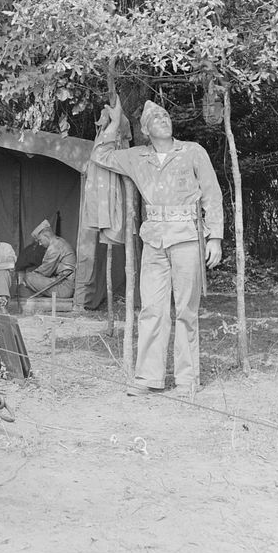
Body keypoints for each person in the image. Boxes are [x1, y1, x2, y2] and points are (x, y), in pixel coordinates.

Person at [91, 97, 223, 397]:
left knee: (187, 311)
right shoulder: (137, 156)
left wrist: (214, 237)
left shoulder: (192, 151)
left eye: (166, 115)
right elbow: (100, 155)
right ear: (146, 130)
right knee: (152, 309)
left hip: (188, 237)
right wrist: (114, 124)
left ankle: (187, 380)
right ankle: (149, 377)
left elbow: (212, 195)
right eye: (156, 118)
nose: (163, 119)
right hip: (153, 241)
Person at [20, 219, 77, 299]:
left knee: (29, 277)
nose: (40, 243)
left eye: (40, 240)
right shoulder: (59, 242)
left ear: (46, 235)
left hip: (64, 287)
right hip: (62, 283)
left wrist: (27, 279)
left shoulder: (54, 247)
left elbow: (44, 271)